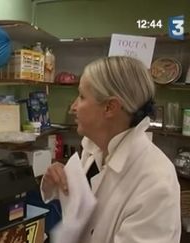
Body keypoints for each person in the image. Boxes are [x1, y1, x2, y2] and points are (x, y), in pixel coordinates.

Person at [41, 56, 181, 242]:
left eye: (82, 96)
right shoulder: (95, 150)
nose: (73, 107)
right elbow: (82, 213)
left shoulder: (155, 181)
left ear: (110, 107)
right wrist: (54, 185)